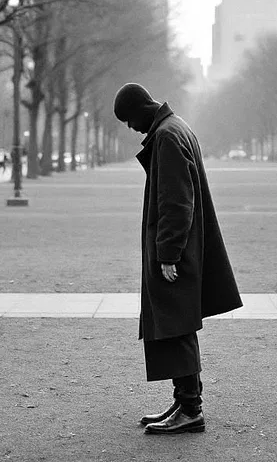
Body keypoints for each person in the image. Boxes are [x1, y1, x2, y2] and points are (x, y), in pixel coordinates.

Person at [113, 82, 242, 436]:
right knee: (177, 323)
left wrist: (168, 254)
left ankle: (190, 409)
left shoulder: (168, 136)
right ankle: (184, 402)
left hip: (177, 251)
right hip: (187, 245)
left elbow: (175, 201)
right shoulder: (176, 127)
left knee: (176, 326)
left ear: (141, 109)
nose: (130, 128)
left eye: (128, 120)